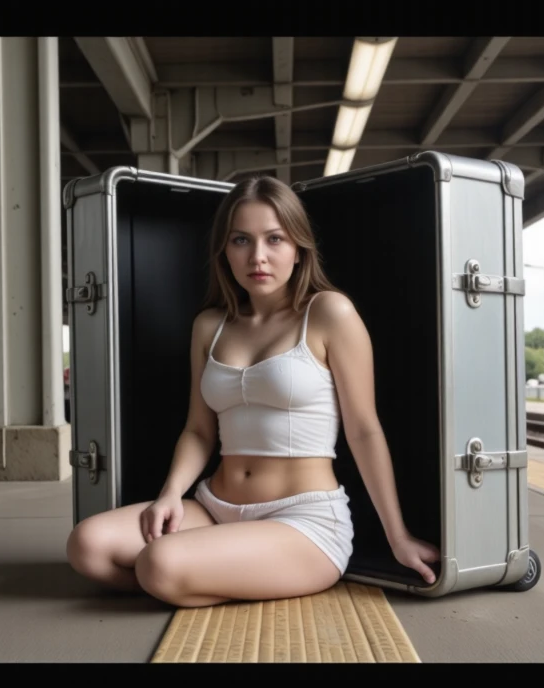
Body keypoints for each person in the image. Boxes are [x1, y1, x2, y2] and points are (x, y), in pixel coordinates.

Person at [66, 176, 439, 608]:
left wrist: (398, 537)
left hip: (303, 520)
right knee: (86, 545)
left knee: (158, 563)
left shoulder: (328, 313)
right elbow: (198, 431)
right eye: (241, 239)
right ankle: (200, 572)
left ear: (299, 249)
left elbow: (364, 430)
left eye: (275, 239)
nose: (257, 256)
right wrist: (170, 494)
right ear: (225, 250)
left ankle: (185, 574)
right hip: (213, 506)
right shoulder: (210, 325)